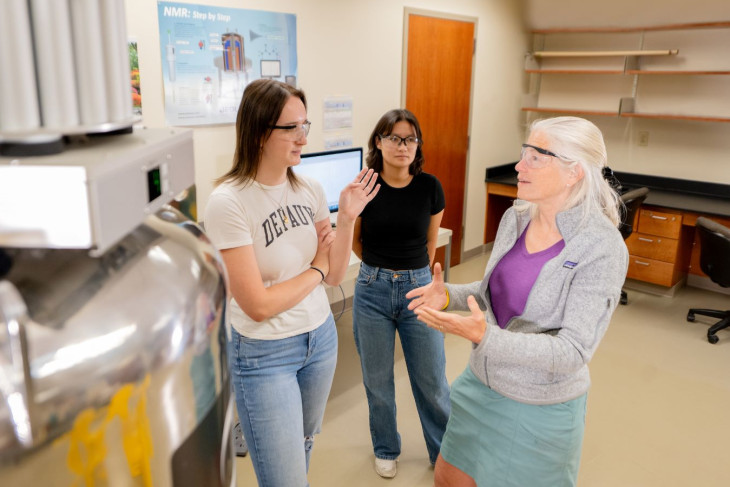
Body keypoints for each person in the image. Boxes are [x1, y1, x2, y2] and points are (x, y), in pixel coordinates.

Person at [406, 116, 629, 487]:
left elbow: (572, 352)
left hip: (537, 408)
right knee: (447, 477)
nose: (519, 165)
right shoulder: (516, 218)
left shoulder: (602, 247)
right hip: (479, 385)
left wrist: (486, 337)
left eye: (536, 157)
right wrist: (448, 295)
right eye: (524, 152)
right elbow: (495, 294)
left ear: (574, 172)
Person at [203, 79, 379, 487]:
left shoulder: (310, 189)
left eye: (306, 125)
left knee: (301, 448)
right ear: (261, 132)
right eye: (292, 128)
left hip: (319, 340)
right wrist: (315, 271)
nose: (303, 137)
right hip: (264, 354)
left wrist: (348, 217)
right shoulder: (229, 202)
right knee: (284, 478)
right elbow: (258, 305)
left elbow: (336, 274)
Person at [351, 108, 451, 479]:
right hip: (371, 290)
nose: (403, 146)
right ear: (379, 142)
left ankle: (443, 452)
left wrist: (414, 276)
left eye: (410, 139)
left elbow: (430, 242)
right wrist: (380, 271)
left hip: (419, 289)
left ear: (417, 145)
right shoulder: (364, 186)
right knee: (377, 381)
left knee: (432, 379)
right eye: (394, 138)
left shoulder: (430, 187)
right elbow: (357, 242)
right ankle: (386, 447)